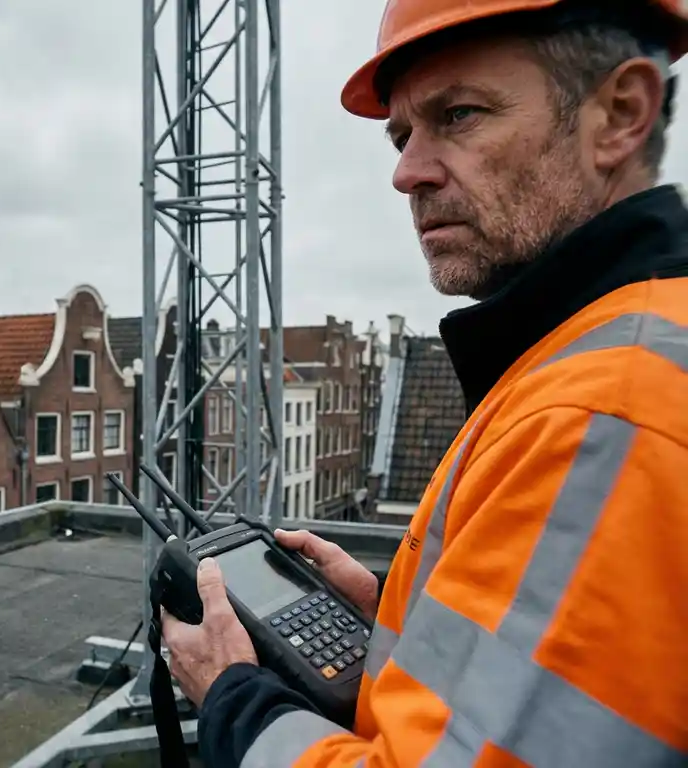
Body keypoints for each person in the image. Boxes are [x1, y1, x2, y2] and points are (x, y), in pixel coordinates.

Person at [160, 0, 688, 765]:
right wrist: (405, 619)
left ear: (619, 113)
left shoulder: (603, 409)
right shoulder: (608, 347)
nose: (407, 172)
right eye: (403, 135)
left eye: (460, 114)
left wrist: (233, 696)